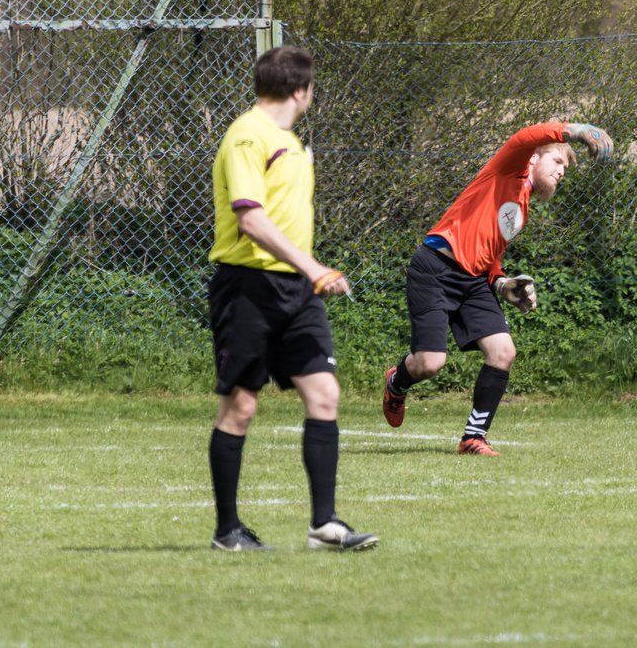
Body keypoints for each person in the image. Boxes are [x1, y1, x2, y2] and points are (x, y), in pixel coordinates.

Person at [207, 45, 377, 552]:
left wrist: (307, 275)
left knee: (324, 395)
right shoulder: (247, 135)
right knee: (240, 407)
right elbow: (250, 219)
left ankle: (324, 526)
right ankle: (228, 531)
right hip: (249, 287)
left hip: (297, 292)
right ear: (301, 90)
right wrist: (315, 267)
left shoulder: (291, 141)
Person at [381, 121, 615, 456]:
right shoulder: (507, 171)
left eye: (566, 167)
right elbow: (523, 138)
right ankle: (396, 382)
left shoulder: (522, 204)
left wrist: (505, 285)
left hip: (473, 280)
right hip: (435, 267)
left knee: (503, 352)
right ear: (533, 159)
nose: (563, 171)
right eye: (559, 161)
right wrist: (574, 130)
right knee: (430, 364)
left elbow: (490, 258)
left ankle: (473, 438)